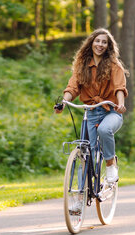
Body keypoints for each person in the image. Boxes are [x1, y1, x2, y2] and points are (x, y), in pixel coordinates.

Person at [54, 28, 128, 184]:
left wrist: (120, 104)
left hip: (111, 112)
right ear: (91, 43)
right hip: (91, 113)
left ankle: (110, 164)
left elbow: (119, 87)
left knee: (104, 129)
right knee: (85, 154)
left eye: (104, 42)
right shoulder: (82, 66)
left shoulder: (115, 66)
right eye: (97, 41)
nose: (100, 45)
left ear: (108, 46)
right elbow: (73, 88)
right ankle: (80, 197)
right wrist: (63, 102)